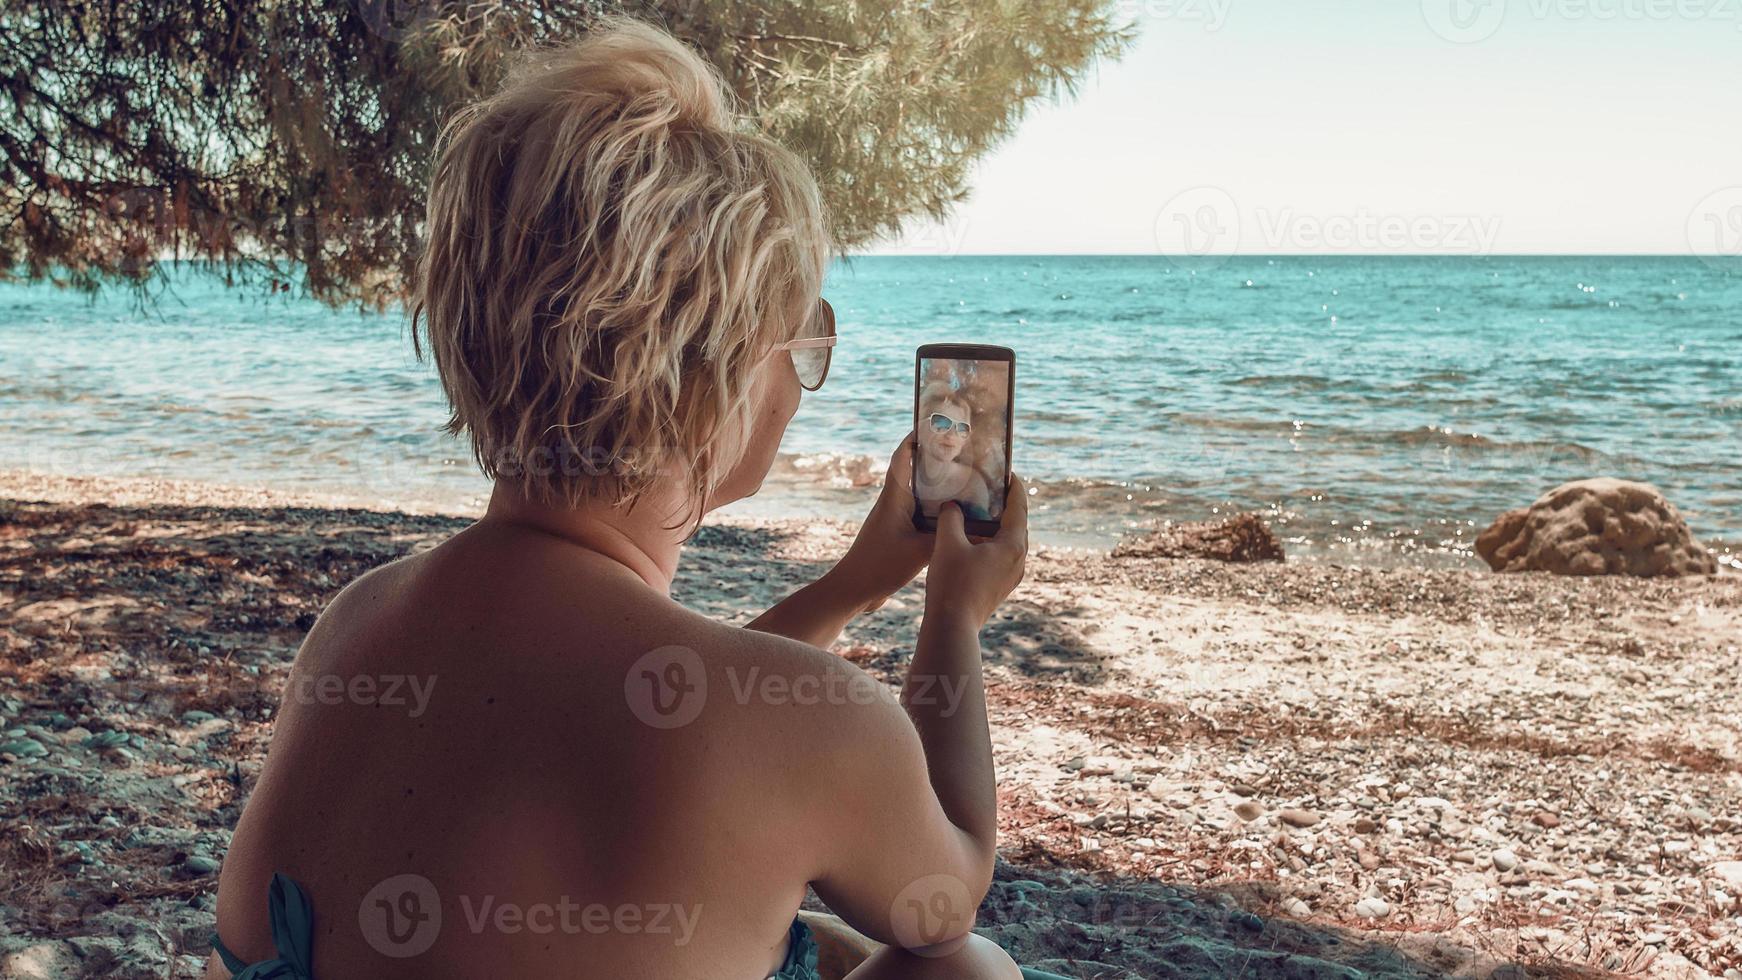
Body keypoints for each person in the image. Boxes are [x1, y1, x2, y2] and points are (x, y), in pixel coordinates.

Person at [208, 18, 1030, 980]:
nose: (807, 370)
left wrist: (857, 581)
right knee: (965, 969)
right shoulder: (818, 729)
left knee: (816, 938)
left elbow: (654, 714)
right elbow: (949, 888)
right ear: (707, 374)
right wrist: (954, 615)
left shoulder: (357, 627)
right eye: (803, 336)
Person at [914, 381, 997, 521]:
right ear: (920, 429)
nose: (951, 435)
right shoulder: (908, 476)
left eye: (961, 428)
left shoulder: (972, 483)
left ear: (965, 440)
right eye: (940, 423)